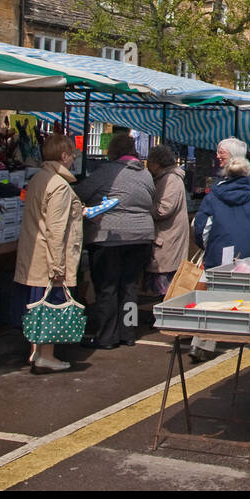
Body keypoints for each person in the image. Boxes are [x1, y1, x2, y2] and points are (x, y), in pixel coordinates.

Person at [76, 132, 156, 349]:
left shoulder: (106, 172)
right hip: (141, 236)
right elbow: (151, 200)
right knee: (130, 286)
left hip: (109, 236)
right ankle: (128, 333)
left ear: (113, 152)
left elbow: (80, 192)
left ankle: (106, 336)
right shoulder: (146, 174)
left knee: (107, 287)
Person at [190, 156, 250, 362]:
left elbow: (200, 227)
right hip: (248, 252)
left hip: (218, 252)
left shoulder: (213, 196)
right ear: (247, 174)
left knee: (214, 299)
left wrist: (209, 246)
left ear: (225, 174)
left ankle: (201, 343)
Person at [14, 135, 84, 373]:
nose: (74, 158)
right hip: (47, 257)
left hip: (33, 254)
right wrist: (58, 267)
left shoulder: (38, 179)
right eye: (72, 153)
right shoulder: (60, 185)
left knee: (35, 306)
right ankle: (47, 356)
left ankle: (35, 351)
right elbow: (56, 230)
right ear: (63, 156)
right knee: (51, 307)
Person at [192, 157, 250, 268]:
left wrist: (212, 246)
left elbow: (200, 231)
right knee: (246, 284)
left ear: (225, 172)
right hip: (249, 259)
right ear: (248, 173)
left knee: (217, 284)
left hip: (217, 259)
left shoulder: (211, 198)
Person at [144, 144, 189, 298]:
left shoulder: (171, 179)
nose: (147, 165)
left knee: (164, 291)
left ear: (157, 162)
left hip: (167, 240)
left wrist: (143, 207)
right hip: (165, 239)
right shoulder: (166, 178)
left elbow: (164, 209)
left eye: (149, 161)